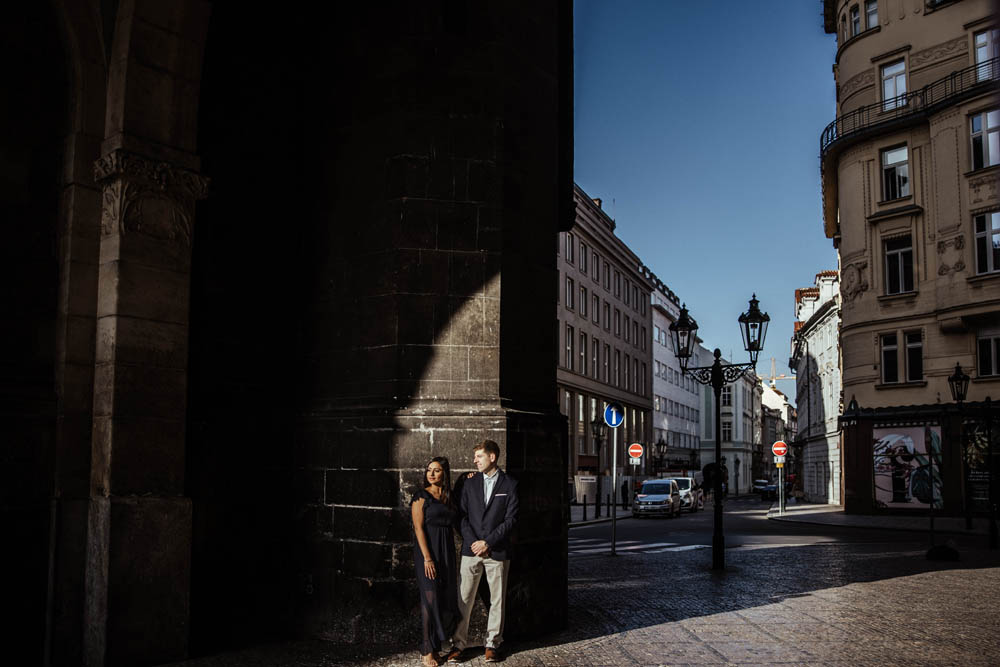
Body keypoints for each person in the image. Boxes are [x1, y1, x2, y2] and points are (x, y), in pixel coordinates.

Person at [446, 440, 518, 664]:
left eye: (479, 456)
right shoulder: (470, 483)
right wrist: (475, 542)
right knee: (463, 598)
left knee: (497, 600)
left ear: (492, 457)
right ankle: (458, 645)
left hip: (497, 551)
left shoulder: (509, 484)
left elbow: (511, 519)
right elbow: (461, 516)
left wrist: (489, 542)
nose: (474, 460)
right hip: (471, 550)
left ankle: (492, 644)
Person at [412, 457, 460, 667]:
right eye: (429, 470)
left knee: (443, 598)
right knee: (429, 598)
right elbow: (418, 528)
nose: (431, 474)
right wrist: (427, 558)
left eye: (436, 470)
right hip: (428, 552)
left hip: (447, 551)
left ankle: (436, 646)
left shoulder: (448, 497)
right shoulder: (421, 496)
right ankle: (426, 650)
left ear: (444, 474)